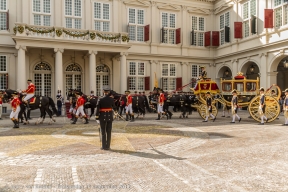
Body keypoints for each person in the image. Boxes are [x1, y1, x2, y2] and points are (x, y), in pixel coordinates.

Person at [95, 85, 116, 150]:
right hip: (109, 115)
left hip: (102, 116)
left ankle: (104, 146)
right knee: (109, 131)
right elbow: (114, 107)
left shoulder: (100, 99)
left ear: (103, 91)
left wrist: (97, 116)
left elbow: (97, 108)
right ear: (109, 92)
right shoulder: (111, 99)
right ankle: (108, 146)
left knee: (103, 131)